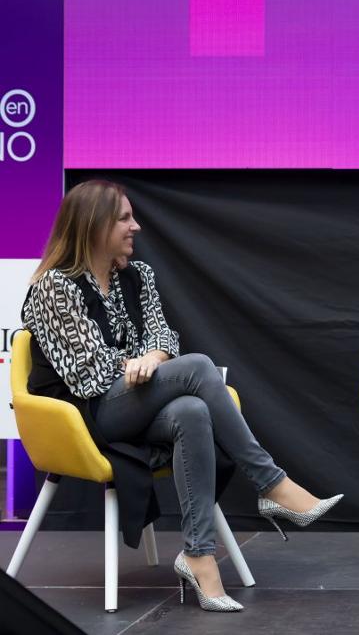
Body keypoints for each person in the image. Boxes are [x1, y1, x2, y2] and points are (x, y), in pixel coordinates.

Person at [20, 181, 341, 613]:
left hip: (131, 400)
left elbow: (162, 333)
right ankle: (272, 483)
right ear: (94, 225)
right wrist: (136, 365)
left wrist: (152, 356)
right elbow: (87, 373)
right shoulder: (54, 287)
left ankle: (198, 554)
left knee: (190, 409)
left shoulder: (138, 276)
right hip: (86, 414)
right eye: (123, 219)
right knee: (198, 366)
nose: (135, 226)